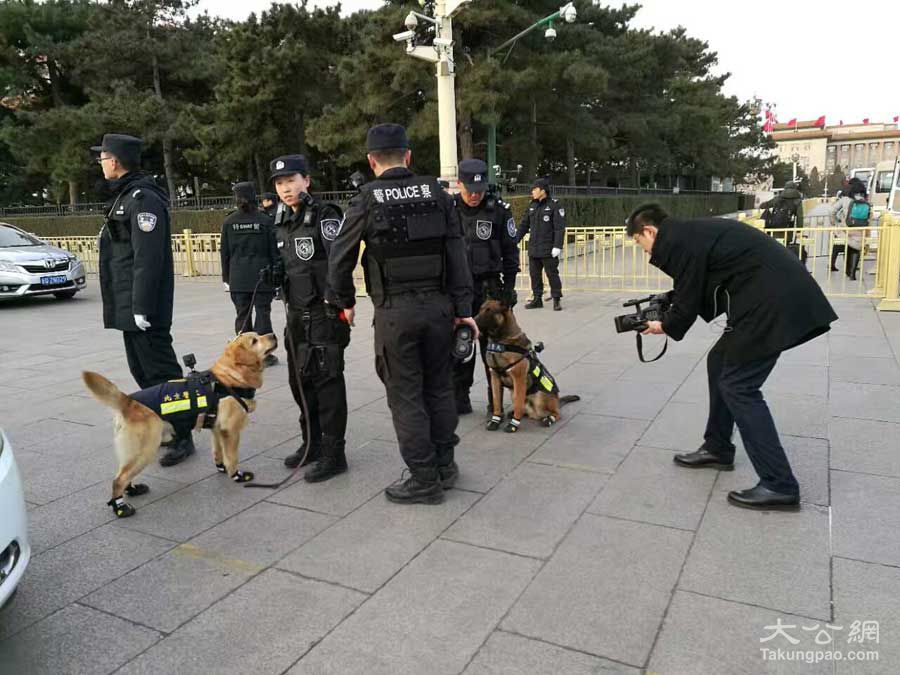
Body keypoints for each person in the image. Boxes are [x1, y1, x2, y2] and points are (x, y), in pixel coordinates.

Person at [627, 203, 837, 510]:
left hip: (770, 303)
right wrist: (669, 304)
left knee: (740, 386)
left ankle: (779, 485)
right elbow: (696, 286)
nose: (643, 251)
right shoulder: (688, 235)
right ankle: (718, 447)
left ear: (649, 231)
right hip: (765, 298)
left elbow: (689, 296)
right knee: (720, 362)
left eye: (639, 242)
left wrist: (666, 325)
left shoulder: (680, 241)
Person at [326, 123, 476, 505]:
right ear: (409, 156)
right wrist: (464, 309)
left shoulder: (365, 199)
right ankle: (445, 466)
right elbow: (458, 253)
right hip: (440, 309)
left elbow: (339, 257)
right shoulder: (439, 194)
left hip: (396, 313)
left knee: (406, 395)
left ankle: (424, 479)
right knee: (439, 387)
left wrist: (344, 301)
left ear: (372, 160)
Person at [93, 133, 194, 466]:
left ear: (116, 160)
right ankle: (165, 426)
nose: (101, 163)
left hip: (143, 307)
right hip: (128, 303)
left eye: (103, 157)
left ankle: (183, 433)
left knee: (162, 373)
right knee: (143, 372)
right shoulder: (124, 195)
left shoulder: (142, 199)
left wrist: (141, 307)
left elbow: (147, 258)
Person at [271, 155, 350, 483]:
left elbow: (339, 260)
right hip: (296, 317)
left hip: (323, 314)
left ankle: (335, 453)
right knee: (299, 382)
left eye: (291, 181)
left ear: (307, 181)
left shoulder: (324, 215)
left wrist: (340, 304)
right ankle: (312, 443)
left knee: (327, 385)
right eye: (279, 183)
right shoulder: (280, 220)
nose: (286, 188)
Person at [451, 158, 520, 415]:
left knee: (493, 348)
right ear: (459, 184)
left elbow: (510, 251)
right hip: (458, 289)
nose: (474, 196)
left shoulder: (498, 210)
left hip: (489, 288)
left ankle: (496, 402)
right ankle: (460, 397)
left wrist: (509, 288)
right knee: (460, 345)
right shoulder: (448, 209)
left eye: (479, 191)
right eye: (469, 190)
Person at [220, 182, 279, 366]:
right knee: (263, 314)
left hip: (237, 278)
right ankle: (265, 356)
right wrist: (276, 276)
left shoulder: (229, 222)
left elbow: (225, 254)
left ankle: (246, 355)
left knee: (242, 316)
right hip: (262, 277)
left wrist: (226, 278)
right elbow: (274, 252)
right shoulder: (266, 220)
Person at [517, 177, 566, 310]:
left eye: (535, 189)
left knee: (552, 274)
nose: (532, 191)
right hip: (534, 248)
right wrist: (515, 240)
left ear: (543, 191)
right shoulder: (532, 206)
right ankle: (537, 299)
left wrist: (557, 246)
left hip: (548, 248)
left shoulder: (554, 205)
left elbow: (559, 228)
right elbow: (523, 225)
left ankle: (556, 299)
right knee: (534, 275)